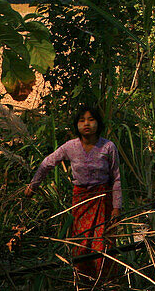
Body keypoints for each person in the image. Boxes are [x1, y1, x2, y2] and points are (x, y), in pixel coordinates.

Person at [25, 104, 122, 284]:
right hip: (80, 202)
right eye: (82, 120)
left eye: (91, 120)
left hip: (103, 201)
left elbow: (116, 177)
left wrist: (117, 207)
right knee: (81, 244)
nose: (87, 124)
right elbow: (47, 163)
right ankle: (83, 283)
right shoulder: (70, 147)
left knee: (103, 244)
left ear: (98, 124)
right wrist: (34, 185)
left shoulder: (108, 147)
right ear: (76, 125)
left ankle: (105, 283)